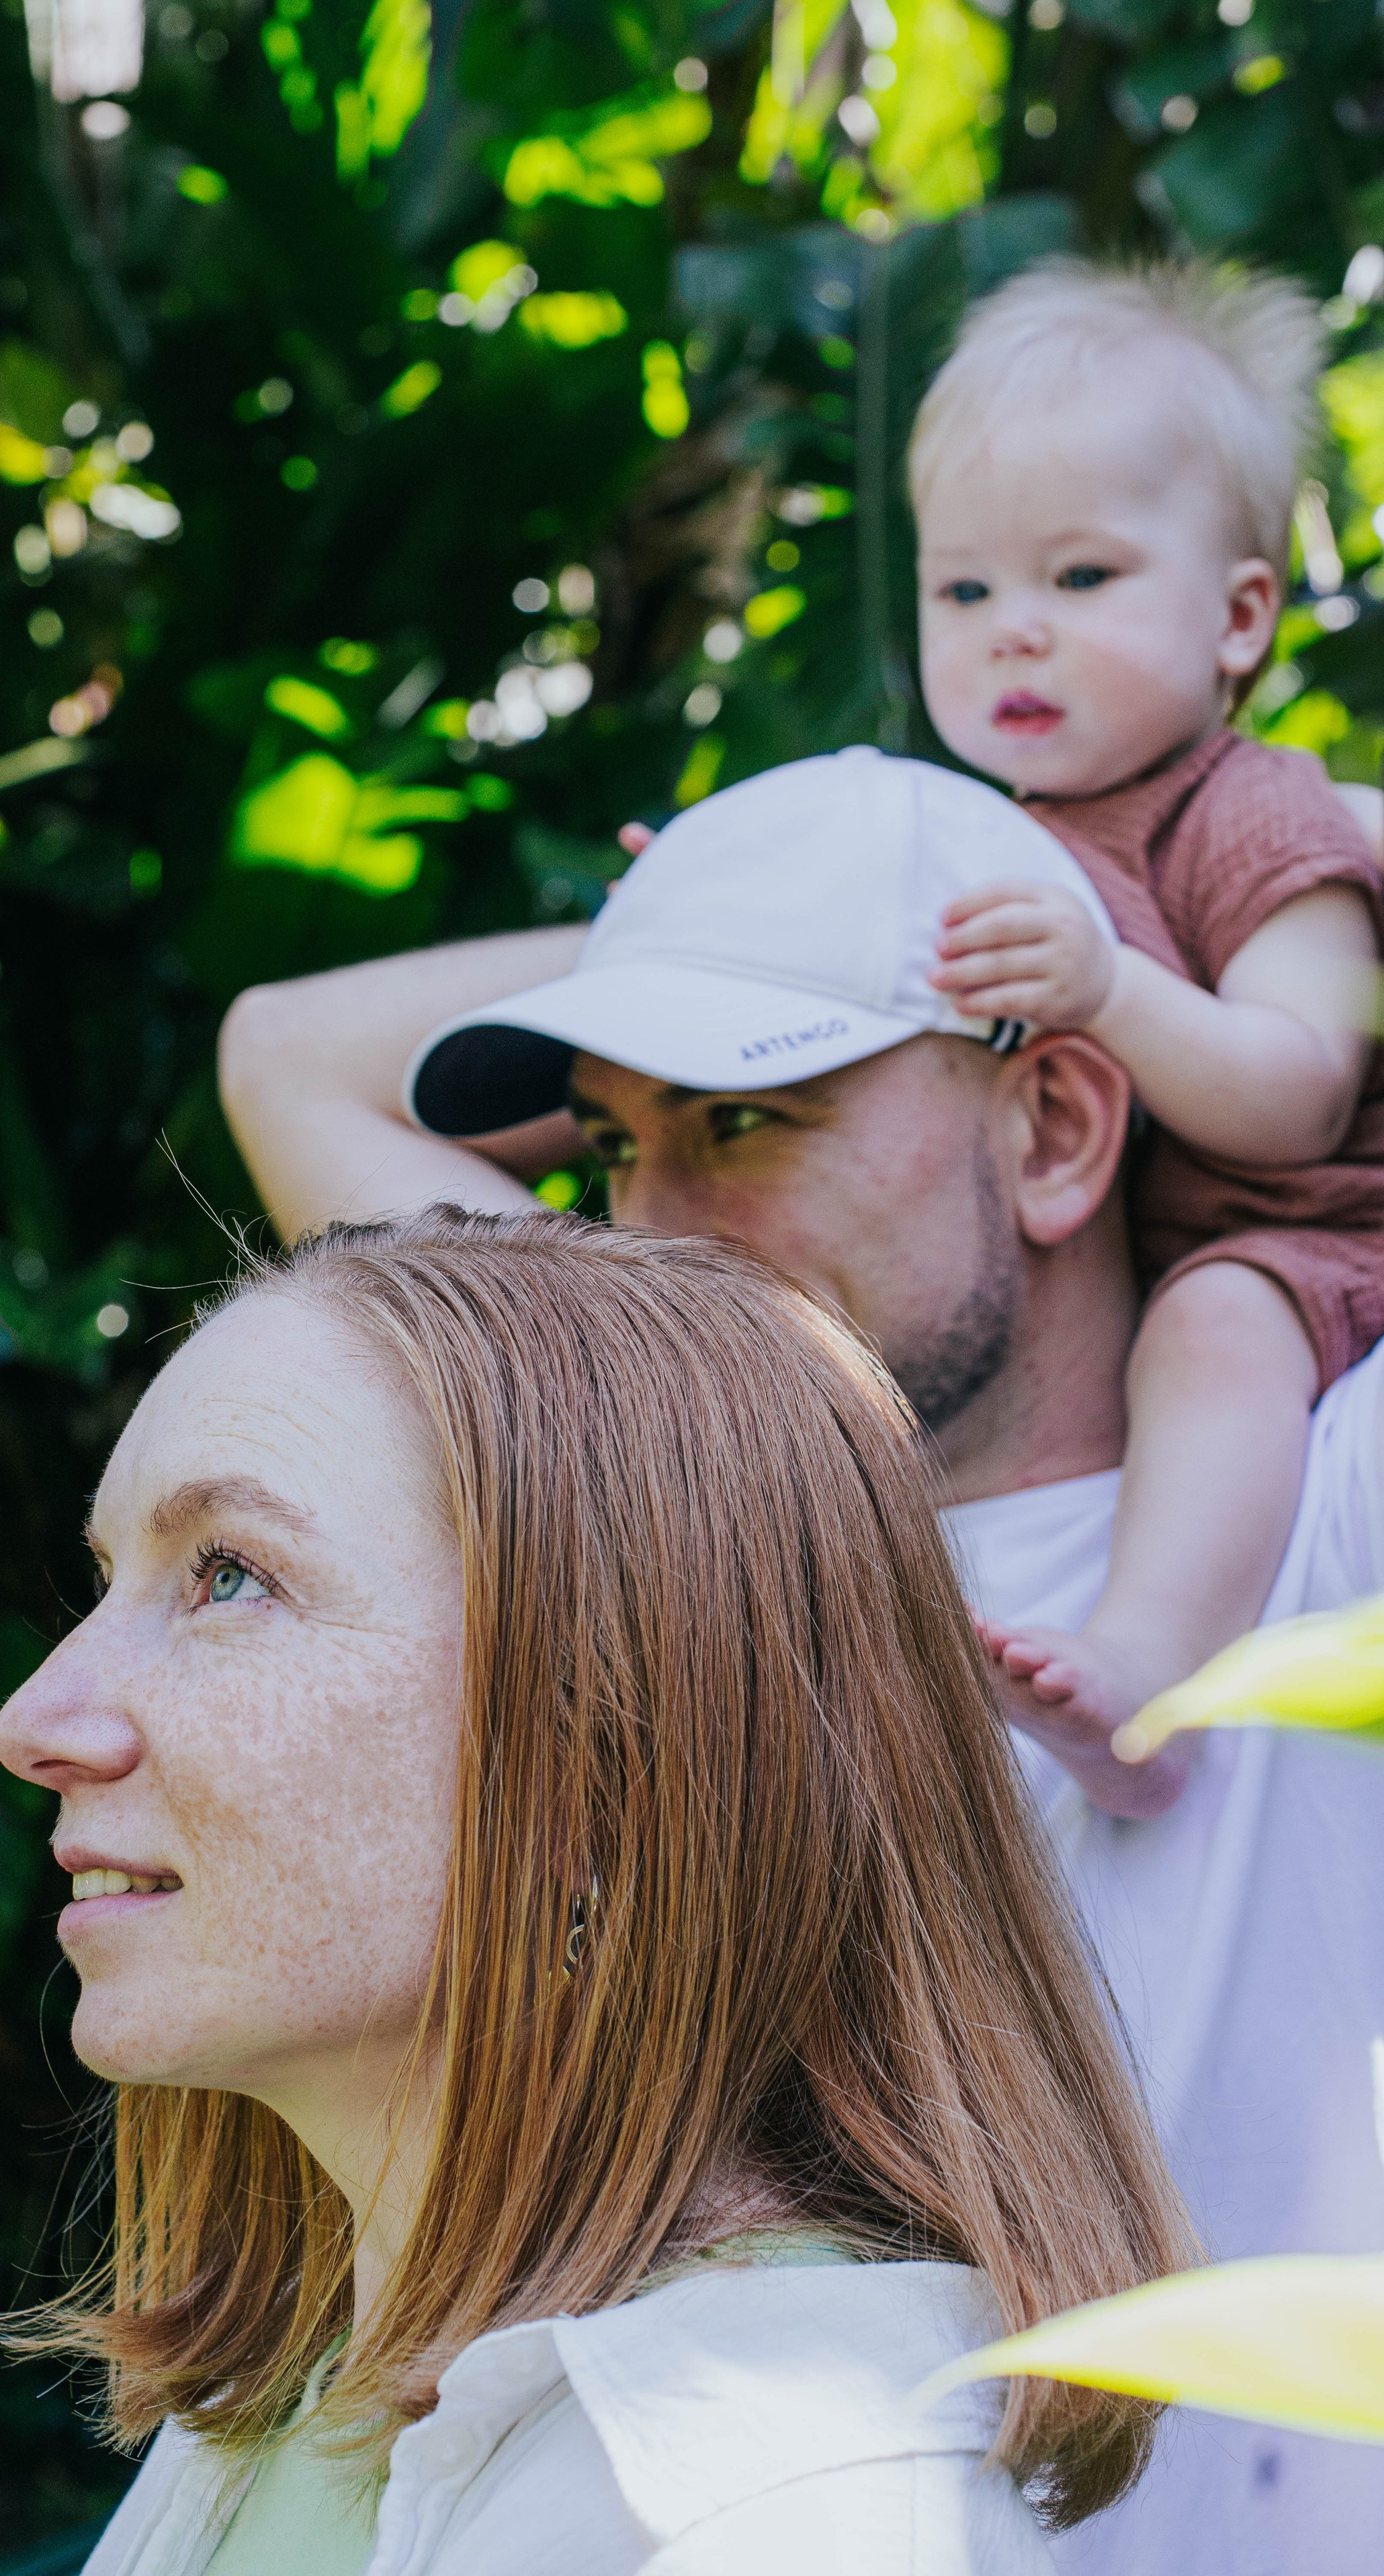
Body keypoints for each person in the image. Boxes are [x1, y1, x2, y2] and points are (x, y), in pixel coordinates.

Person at [218, 748, 1384, 2576]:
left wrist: (1200, 909)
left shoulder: (1324, 1498)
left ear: (1055, 1128)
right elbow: (283, 1050)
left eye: (747, 1114)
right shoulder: (643, 1545)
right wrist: (713, 910)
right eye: (611, 1141)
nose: (643, 1229)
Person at [0, 1206, 1188, 2575]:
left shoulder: (779, 2519)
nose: (37, 1719)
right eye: (108, 1581)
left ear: (610, 1768)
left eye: (229, 1577)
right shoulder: (308, 2395)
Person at [910, 257, 1384, 1752]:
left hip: (1306, 1237)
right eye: (963, 589)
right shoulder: (973, 827)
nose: (1011, 629)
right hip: (1107, 1280)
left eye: (1079, 579)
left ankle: (1147, 1679)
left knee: (1212, 1323)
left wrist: (1111, 986)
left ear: (1239, 618)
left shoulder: (1252, 815)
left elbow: (1299, 1087)